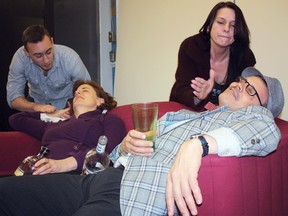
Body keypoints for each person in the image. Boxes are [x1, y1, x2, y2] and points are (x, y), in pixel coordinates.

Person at [0, 67, 284, 216]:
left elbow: (268, 134)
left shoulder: (256, 119)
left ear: (260, 108)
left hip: (128, 198)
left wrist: (198, 145)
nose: (238, 85)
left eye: (250, 90)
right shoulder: (188, 115)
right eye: (239, 80)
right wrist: (123, 146)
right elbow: (105, 157)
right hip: (99, 179)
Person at [8, 80, 126, 175]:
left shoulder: (108, 120)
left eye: (84, 90)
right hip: (41, 173)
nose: (78, 93)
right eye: (75, 94)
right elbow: (16, 119)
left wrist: (61, 165)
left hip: (76, 175)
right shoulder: (56, 124)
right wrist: (52, 114)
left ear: (100, 101)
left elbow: (110, 152)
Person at [169, 2, 256, 110]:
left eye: (233, 25)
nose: (227, 28)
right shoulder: (191, 46)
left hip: (224, 118)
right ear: (209, 26)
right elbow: (181, 91)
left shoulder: (245, 57)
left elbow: (248, 98)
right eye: (221, 22)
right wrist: (199, 96)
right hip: (187, 111)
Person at [6, 24, 91, 113]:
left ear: (52, 41)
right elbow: (13, 98)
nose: (46, 60)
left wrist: (73, 111)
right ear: (26, 52)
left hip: (67, 102)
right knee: (15, 119)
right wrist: (35, 107)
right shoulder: (20, 58)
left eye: (48, 52)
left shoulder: (70, 58)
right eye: (38, 56)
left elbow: (88, 90)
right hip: (36, 102)